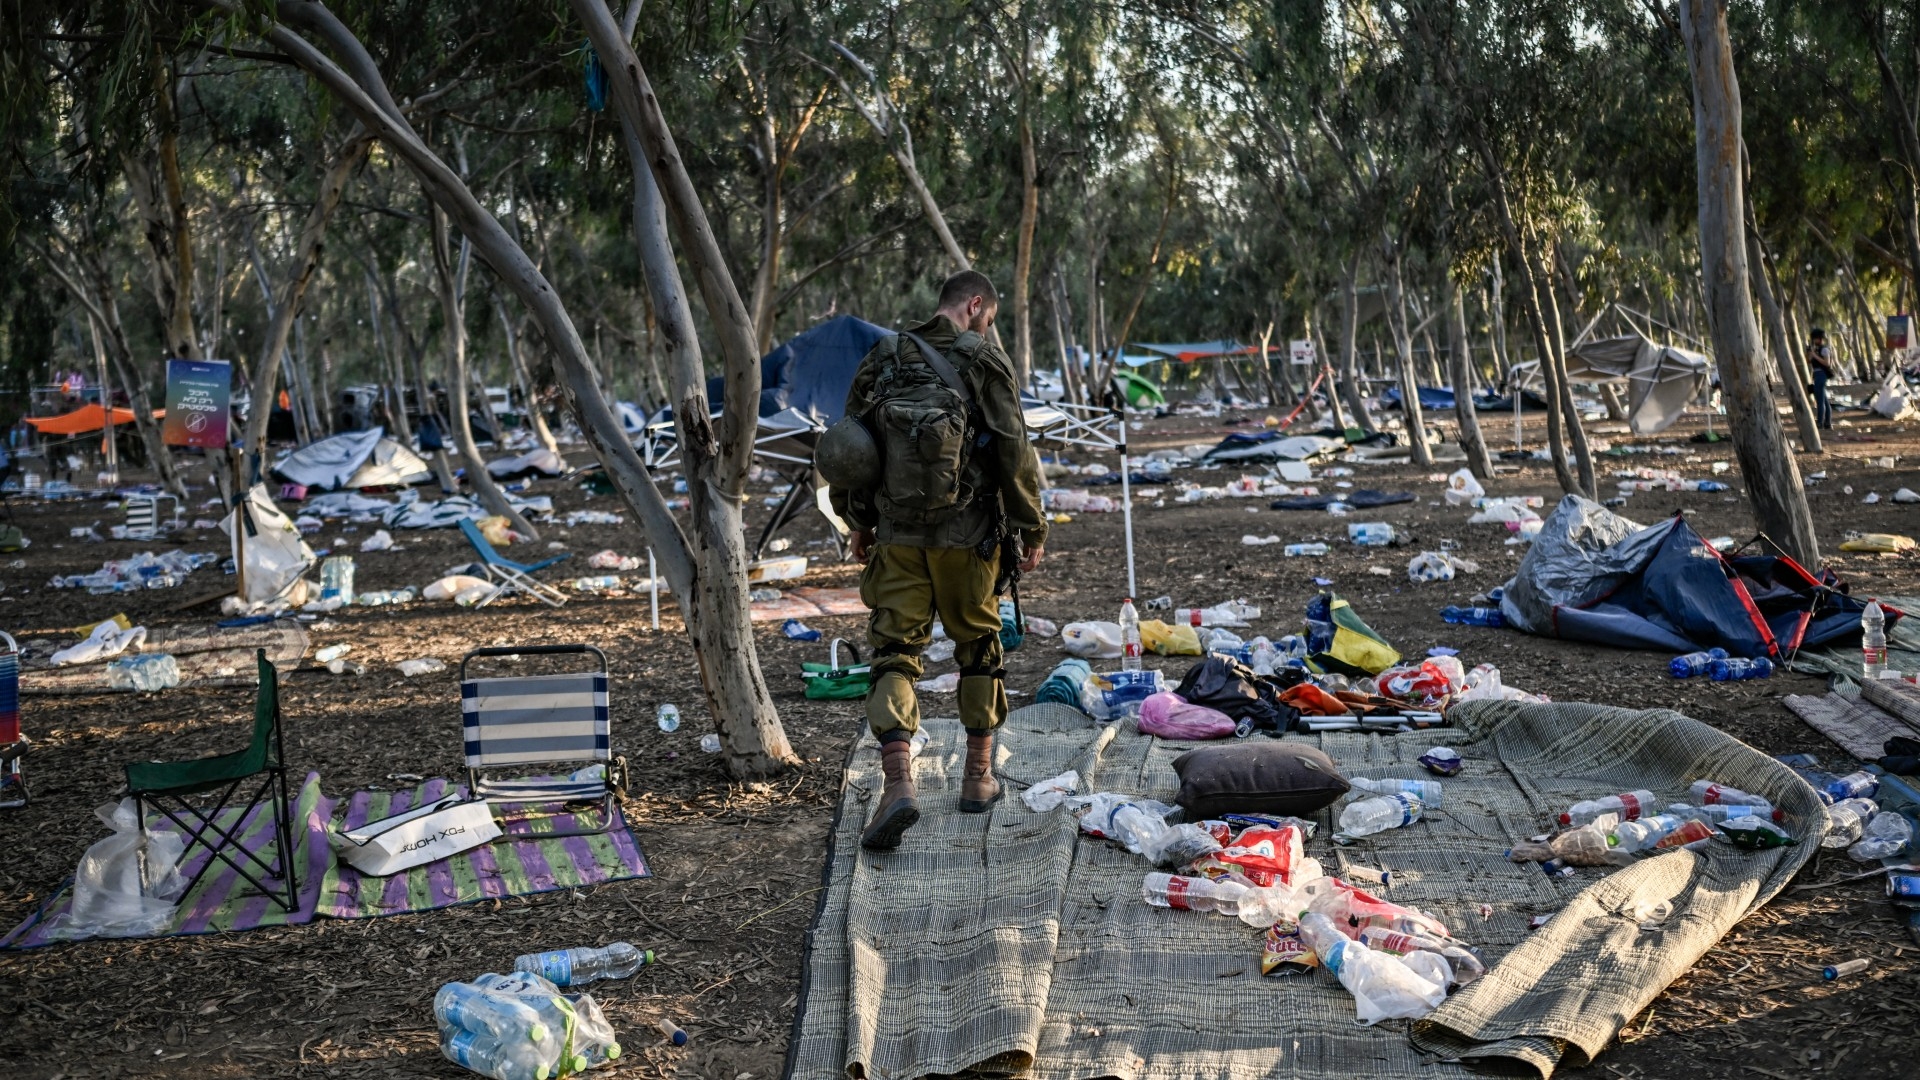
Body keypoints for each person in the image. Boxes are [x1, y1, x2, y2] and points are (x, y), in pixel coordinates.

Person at [826, 271, 1048, 852]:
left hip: (897, 536)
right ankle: (978, 778)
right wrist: (1030, 526)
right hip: (968, 536)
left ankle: (898, 782)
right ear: (975, 306)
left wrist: (858, 521)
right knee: (978, 645)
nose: (986, 327)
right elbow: (1013, 448)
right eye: (989, 318)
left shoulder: (885, 356)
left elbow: (851, 447)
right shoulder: (984, 360)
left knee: (895, 653)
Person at [1808, 327, 1835, 430]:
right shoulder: (1817, 349)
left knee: (1820, 401)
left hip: (1821, 374)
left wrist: (1815, 355)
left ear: (1819, 339)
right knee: (1824, 400)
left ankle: (1820, 422)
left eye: (1815, 339)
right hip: (1816, 374)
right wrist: (1810, 353)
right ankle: (1827, 422)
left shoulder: (1824, 349)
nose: (1814, 341)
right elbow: (1809, 361)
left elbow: (1827, 363)